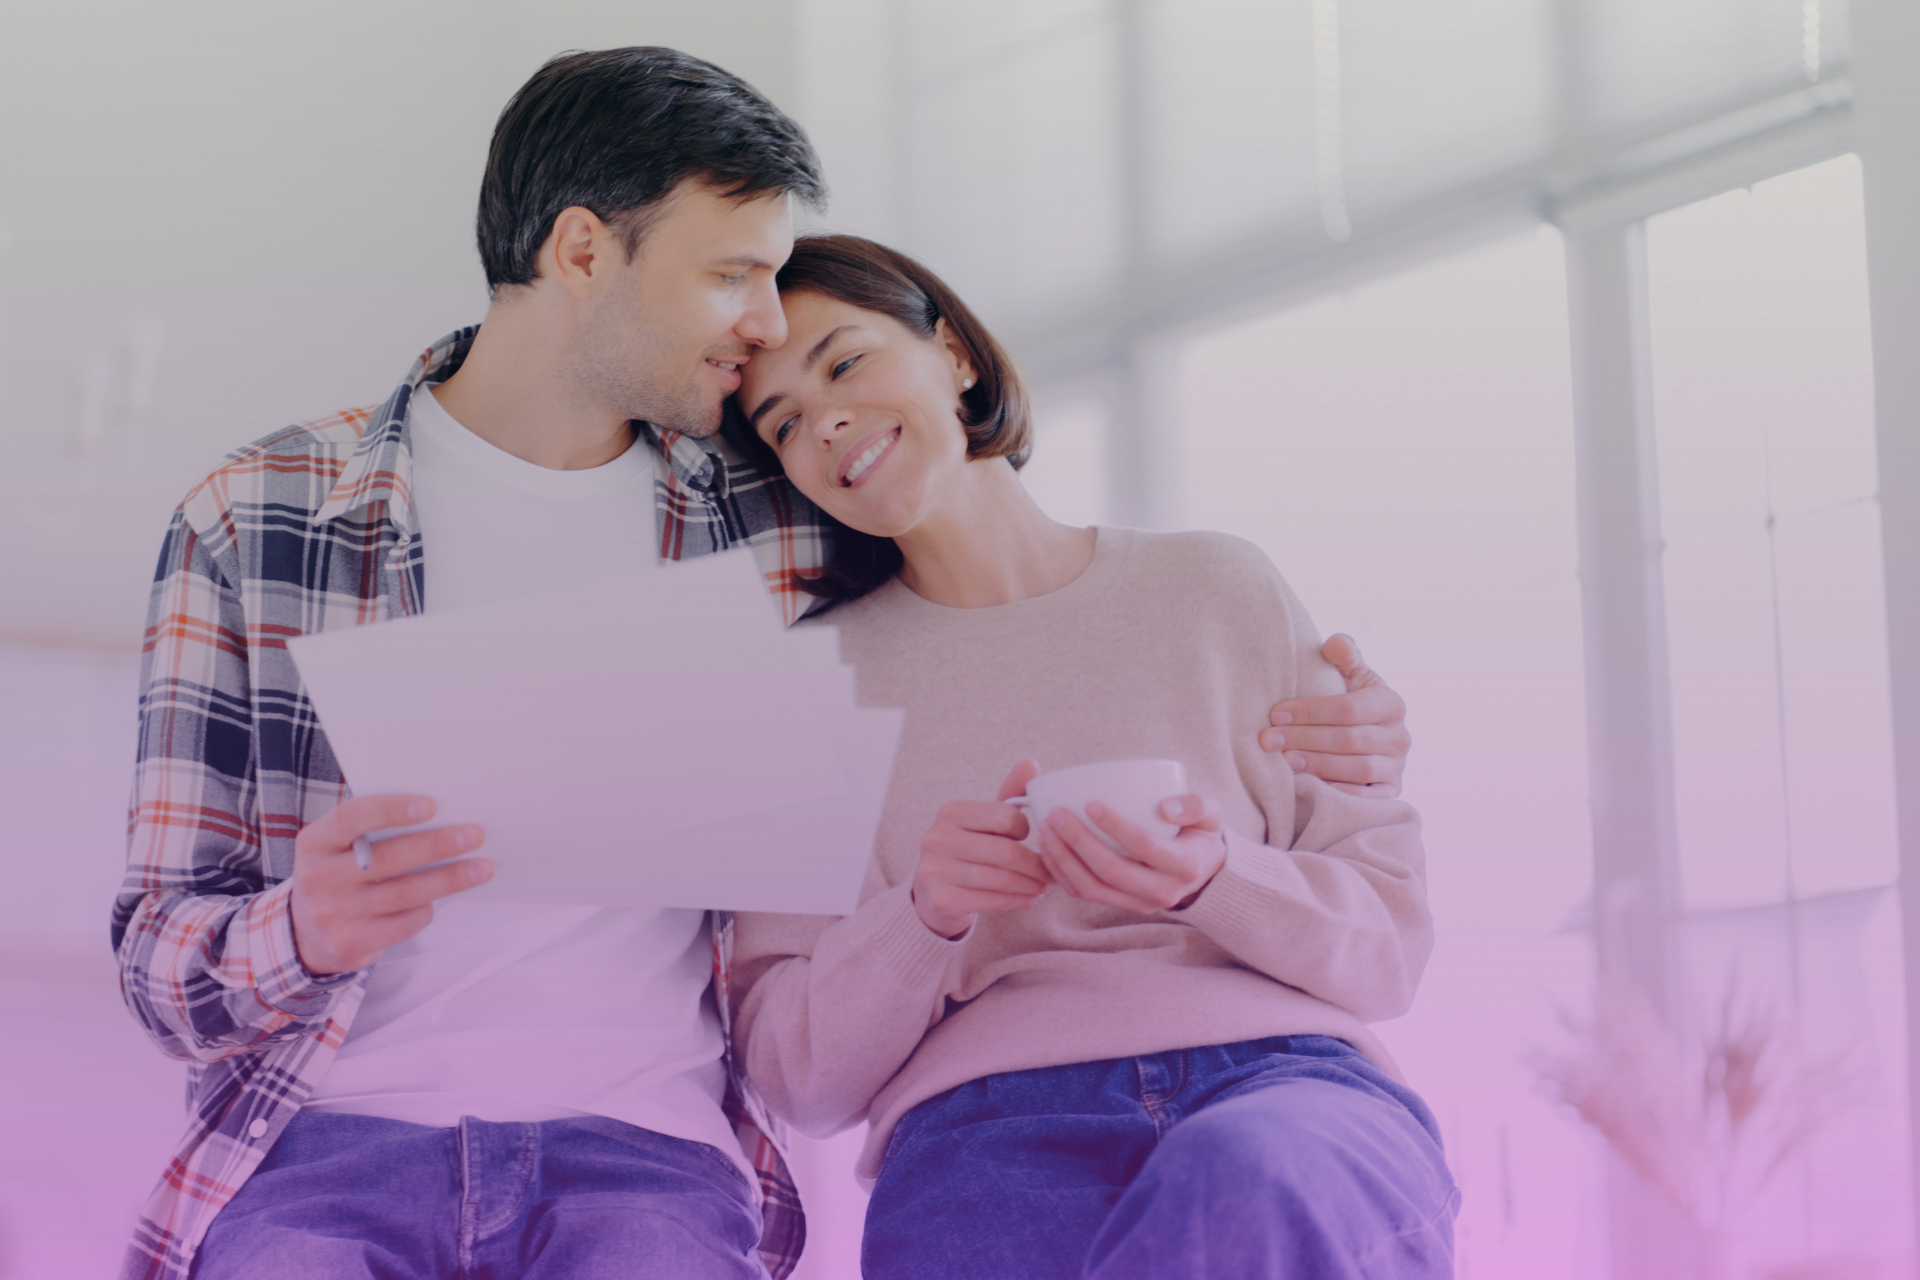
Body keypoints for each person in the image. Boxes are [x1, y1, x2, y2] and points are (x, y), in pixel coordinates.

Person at [112, 46, 1413, 1280]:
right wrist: (303, 927)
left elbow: (1008, 565)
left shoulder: (771, 517)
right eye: (733, 275)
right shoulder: (262, 516)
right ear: (580, 251)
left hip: (643, 1157)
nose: (763, 325)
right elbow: (160, 959)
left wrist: (1344, 723)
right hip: (331, 1142)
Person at [726, 236, 1455, 1280]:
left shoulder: (1219, 589)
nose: (824, 421)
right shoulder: (804, 694)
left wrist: (1216, 878)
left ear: (955, 353)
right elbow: (795, 1071)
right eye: (784, 422)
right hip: (986, 1129)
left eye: (844, 363)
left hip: (1284, 1087)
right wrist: (925, 913)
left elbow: (1387, 946)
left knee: (1249, 1176)